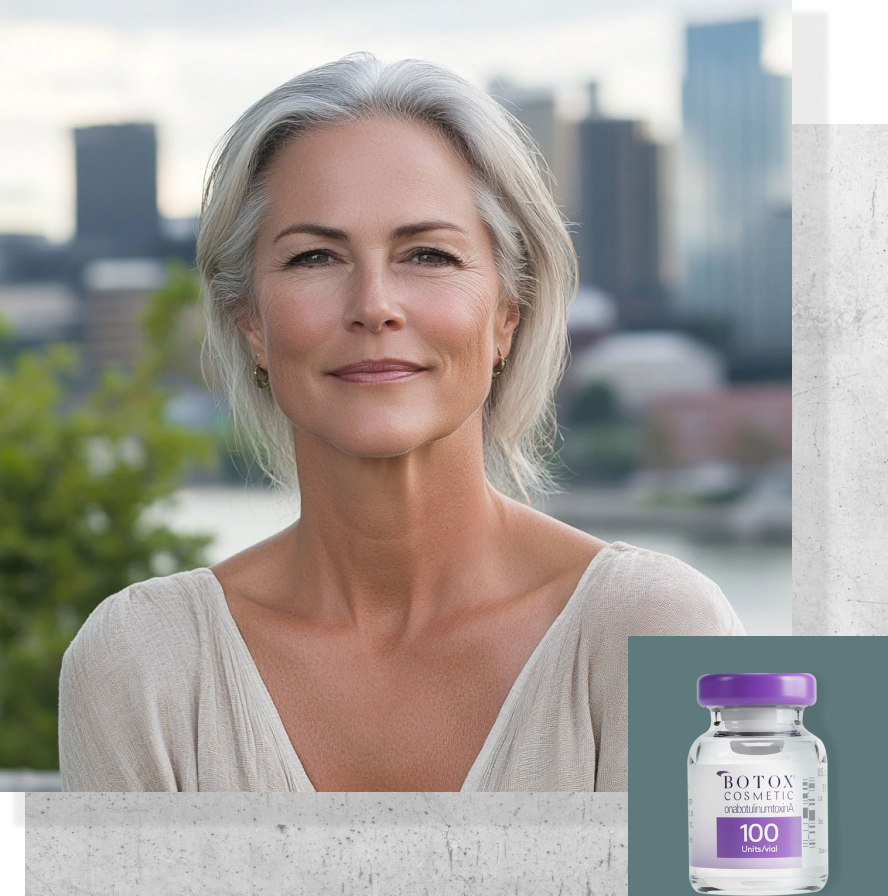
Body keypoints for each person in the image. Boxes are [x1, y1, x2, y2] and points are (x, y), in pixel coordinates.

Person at [58, 51, 745, 794]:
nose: (374, 303)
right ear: (251, 322)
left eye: (428, 254)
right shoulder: (144, 663)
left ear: (507, 317)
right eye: (316, 256)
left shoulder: (659, 635)